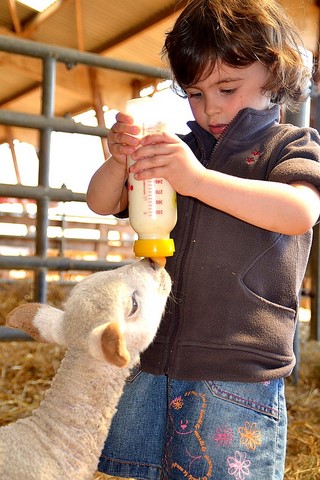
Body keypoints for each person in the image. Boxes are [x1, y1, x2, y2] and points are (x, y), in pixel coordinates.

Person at [86, 1, 320, 479]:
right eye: (194, 94)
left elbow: (300, 212)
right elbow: (100, 201)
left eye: (227, 88)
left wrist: (196, 181)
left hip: (236, 367)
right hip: (153, 356)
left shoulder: (290, 145)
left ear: (273, 72)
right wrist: (121, 162)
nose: (210, 106)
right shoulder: (181, 152)